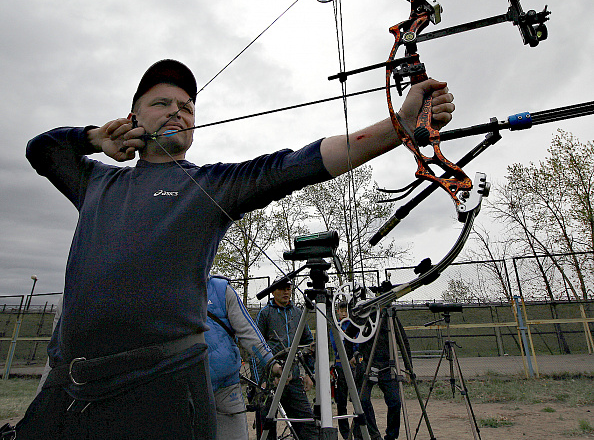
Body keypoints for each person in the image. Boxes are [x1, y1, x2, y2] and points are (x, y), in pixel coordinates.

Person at [18, 57, 455, 439]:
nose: (177, 111)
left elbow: (298, 164)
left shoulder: (211, 185)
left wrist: (399, 126)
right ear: (132, 117)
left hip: (163, 389)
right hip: (68, 388)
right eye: (162, 103)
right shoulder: (97, 180)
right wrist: (95, 137)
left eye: (187, 107)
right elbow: (41, 150)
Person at [206, 275, 281, 440]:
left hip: (226, 387)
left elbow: (247, 331)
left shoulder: (221, 290)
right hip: (185, 388)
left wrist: (271, 363)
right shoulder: (168, 291)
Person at [253, 276, 317, 439]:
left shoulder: (298, 313)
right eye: (281, 289)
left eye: (288, 288)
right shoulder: (265, 314)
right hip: (270, 380)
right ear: (273, 292)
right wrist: (261, 381)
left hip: (293, 379)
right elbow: (256, 347)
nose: (285, 292)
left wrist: (310, 373)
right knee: (267, 427)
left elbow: (309, 344)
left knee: (307, 425)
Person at [355, 306, 412, 440]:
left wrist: (409, 367)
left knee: (395, 402)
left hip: (387, 366)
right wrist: (353, 355)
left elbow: (403, 341)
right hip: (368, 365)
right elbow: (351, 336)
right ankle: (374, 435)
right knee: (362, 400)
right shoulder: (366, 315)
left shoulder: (391, 318)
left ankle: (391, 436)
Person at [329, 301, 358, 440]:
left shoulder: (354, 325)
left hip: (354, 366)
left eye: (346, 310)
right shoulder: (335, 326)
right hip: (340, 367)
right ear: (337, 312)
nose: (344, 313)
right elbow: (336, 345)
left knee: (359, 400)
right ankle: (345, 433)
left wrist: (354, 354)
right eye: (341, 311)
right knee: (341, 403)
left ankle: (358, 431)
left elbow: (358, 343)